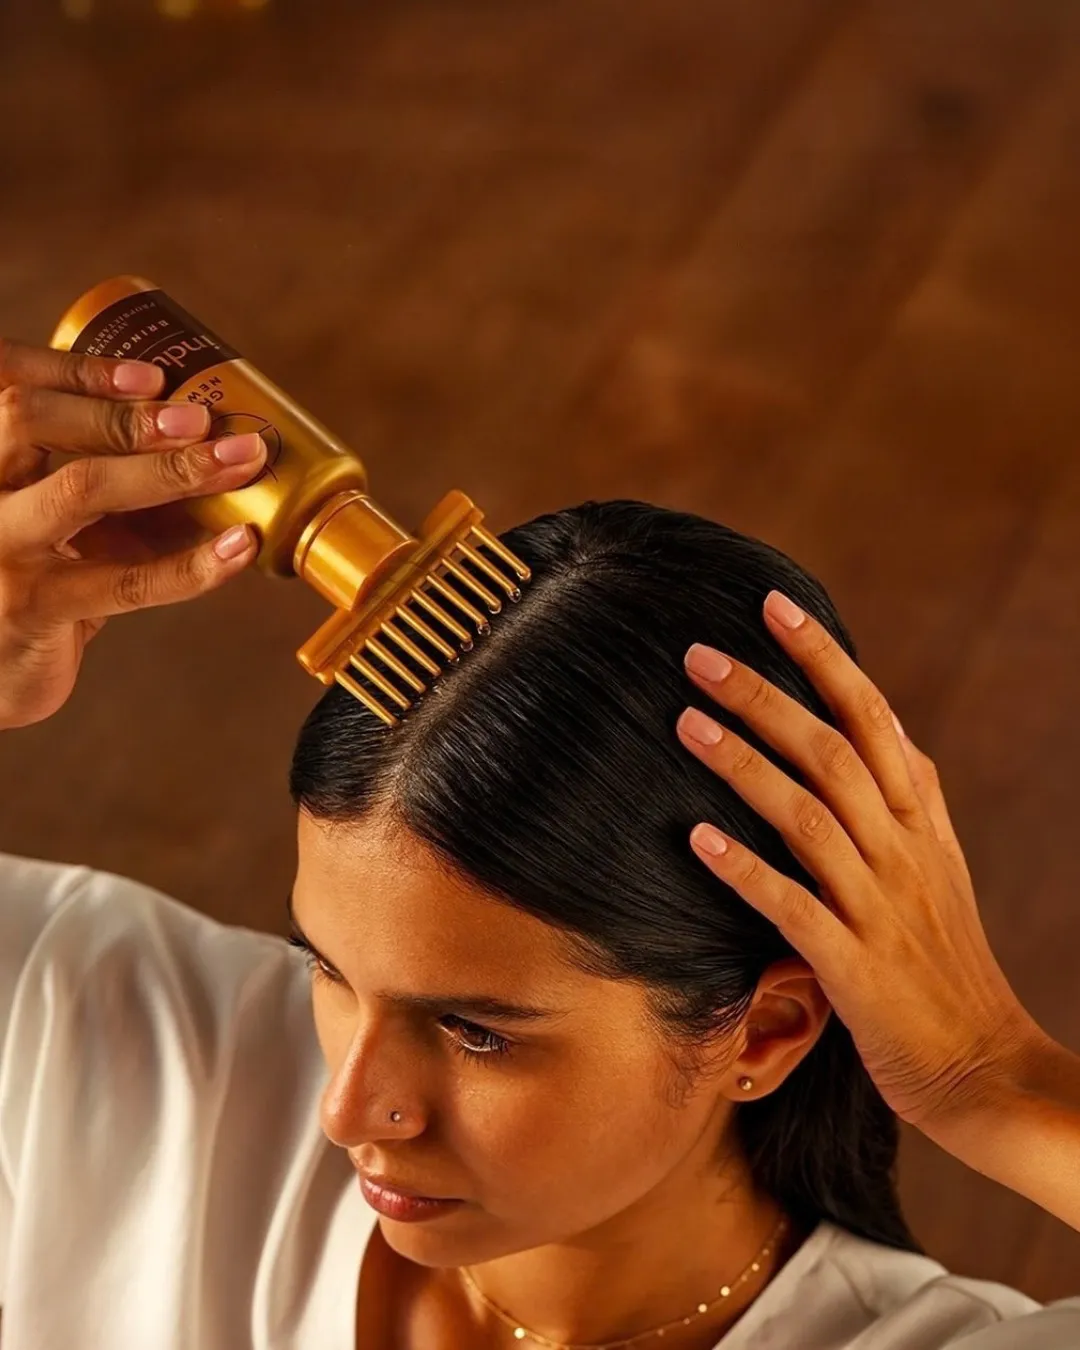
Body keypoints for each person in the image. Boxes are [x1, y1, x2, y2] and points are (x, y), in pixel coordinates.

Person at [0, 340, 1077, 1350]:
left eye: (474, 1032)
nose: (350, 1108)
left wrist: (994, 1076)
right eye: (327, 969)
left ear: (766, 1032)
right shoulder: (113, 1046)